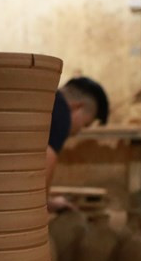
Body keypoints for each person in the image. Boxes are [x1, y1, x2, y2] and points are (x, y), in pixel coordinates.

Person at [46, 76, 109, 212]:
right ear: (78, 107)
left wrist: (49, 203)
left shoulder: (48, 100)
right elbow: (48, 156)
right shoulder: (61, 111)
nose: (80, 129)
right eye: (86, 124)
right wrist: (44, 204)